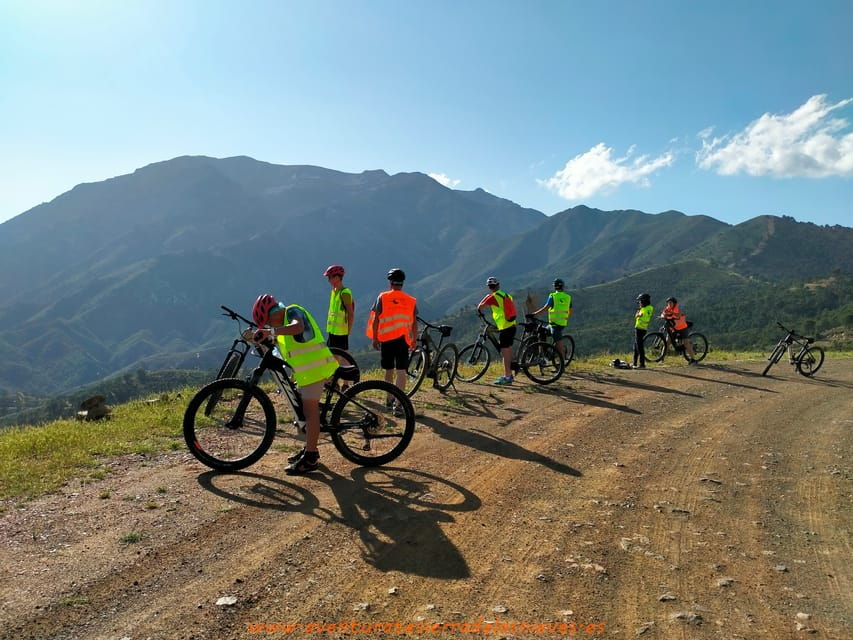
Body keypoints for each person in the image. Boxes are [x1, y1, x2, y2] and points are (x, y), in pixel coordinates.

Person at [252, 293, 339, 475]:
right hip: (307, 373)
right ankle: (310, 446)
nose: (270, 325)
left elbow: (297, 327)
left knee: (309, 412)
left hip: (317, 368)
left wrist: (272, 332)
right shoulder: (281, 328)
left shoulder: (293, 311)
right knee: (302, 410)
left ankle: (311, 457)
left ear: (274, 313)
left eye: (269, 321)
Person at [366, 268, 417, 405]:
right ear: (402, 283)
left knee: (389, 370)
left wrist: (375, 337)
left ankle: (389, 399)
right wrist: (414, 339)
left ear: (390, 283)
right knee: (401, 372)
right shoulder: (411, 300)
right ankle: (399, 404)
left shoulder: (383, 297)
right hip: (403, 340)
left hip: (386, 340)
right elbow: (414, 323)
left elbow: (376, 319)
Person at [477, 277, 517, 385]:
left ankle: (507, 376)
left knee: (504, 352)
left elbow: (480, 307)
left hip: (504, 327)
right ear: (498, 285)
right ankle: (510, 373)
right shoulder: (506, 295)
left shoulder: (492, 297)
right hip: (512, 325)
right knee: (508, 349)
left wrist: (486, 297)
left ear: (489, 287)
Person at [323, 264, 355, 372]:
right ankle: (334, 380)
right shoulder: (334, 291)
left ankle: (346, 382)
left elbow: (351, 314)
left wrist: (348, 330)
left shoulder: (345, 293)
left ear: (337, 277)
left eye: (330, 277)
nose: (328, 280)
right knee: (333, 357)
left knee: (344, 356)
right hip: (332, 331)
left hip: (341, 332)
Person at [531, 278, 573, 358]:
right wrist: (563, 317)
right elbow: (571, 312)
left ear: (554, 287)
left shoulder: (553, 296)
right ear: (563, 287)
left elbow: (545, 308)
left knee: (558, 341)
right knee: (542, 331)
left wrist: (535, 314)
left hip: (555, 324)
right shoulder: (568, 297)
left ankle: (562, 362)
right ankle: (544, 354)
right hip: (561, 323)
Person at [662, 296, 696, 363]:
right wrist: (663, 315)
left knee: (686, 343)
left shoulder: (679, 307)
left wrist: (671, 312)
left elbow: (678, 315)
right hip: (673, 328)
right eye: (668, 303)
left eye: (670, 303)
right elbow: (663, 314)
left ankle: (693, 359)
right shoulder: (668, 308)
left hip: (682, 328)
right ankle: (661, 358)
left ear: (674, 303)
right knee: (667, 342)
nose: (669, 304)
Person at [633, 293, 654, 369]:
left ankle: (642, 364)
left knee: (639, 347)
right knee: (636, 346)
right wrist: (638, 314)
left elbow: (639, 315)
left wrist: (638, 314)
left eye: (640, 301)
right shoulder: (648, 308)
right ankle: (634, 363)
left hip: (640, 329)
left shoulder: (645, 309)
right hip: (640, 329)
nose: (639, 303)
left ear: (644, 301)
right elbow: (637, 316)